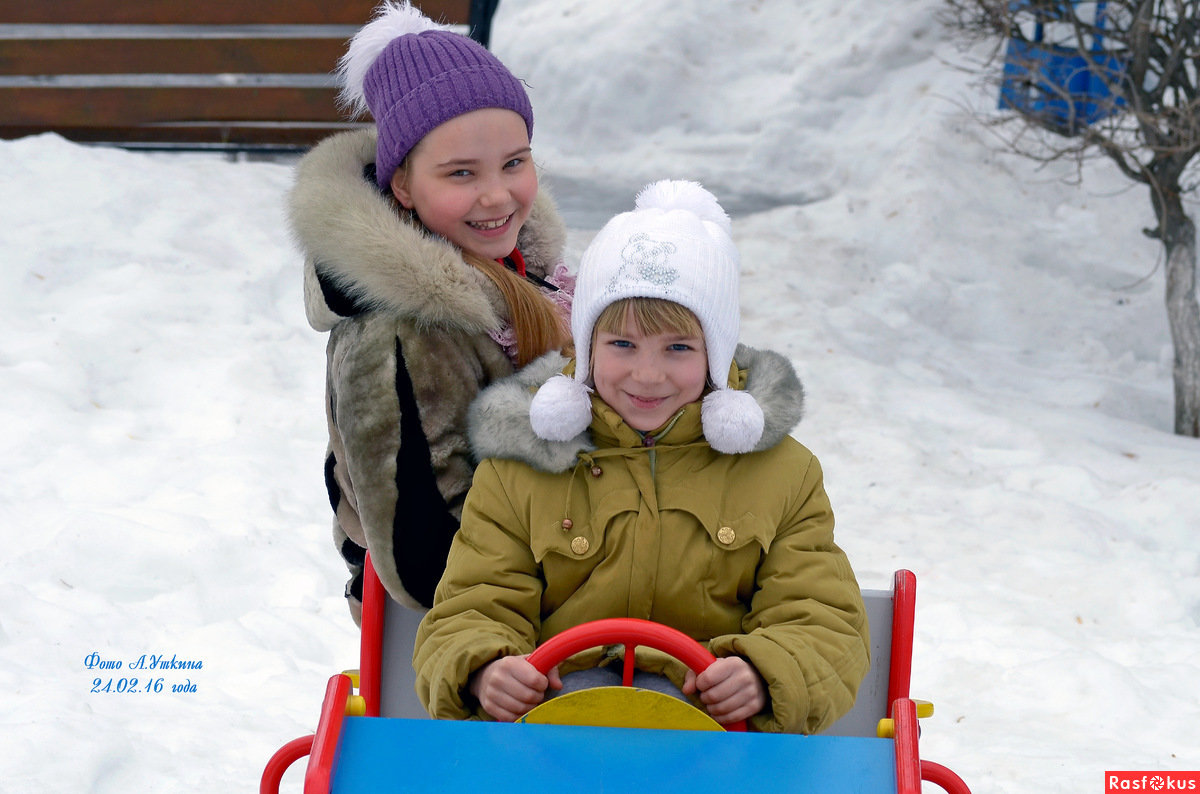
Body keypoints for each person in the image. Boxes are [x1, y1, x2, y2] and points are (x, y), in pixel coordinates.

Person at [414, 180, 869, 734]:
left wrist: (763, 672)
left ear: (716, 355)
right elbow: (473, 603)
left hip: (714, 741)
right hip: (560, 733)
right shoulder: (520, 467)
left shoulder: (781, 473)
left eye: (678, 348)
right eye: (621, 345)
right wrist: (485, 668)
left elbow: (822, 616)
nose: (647, 375)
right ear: (585, 350)